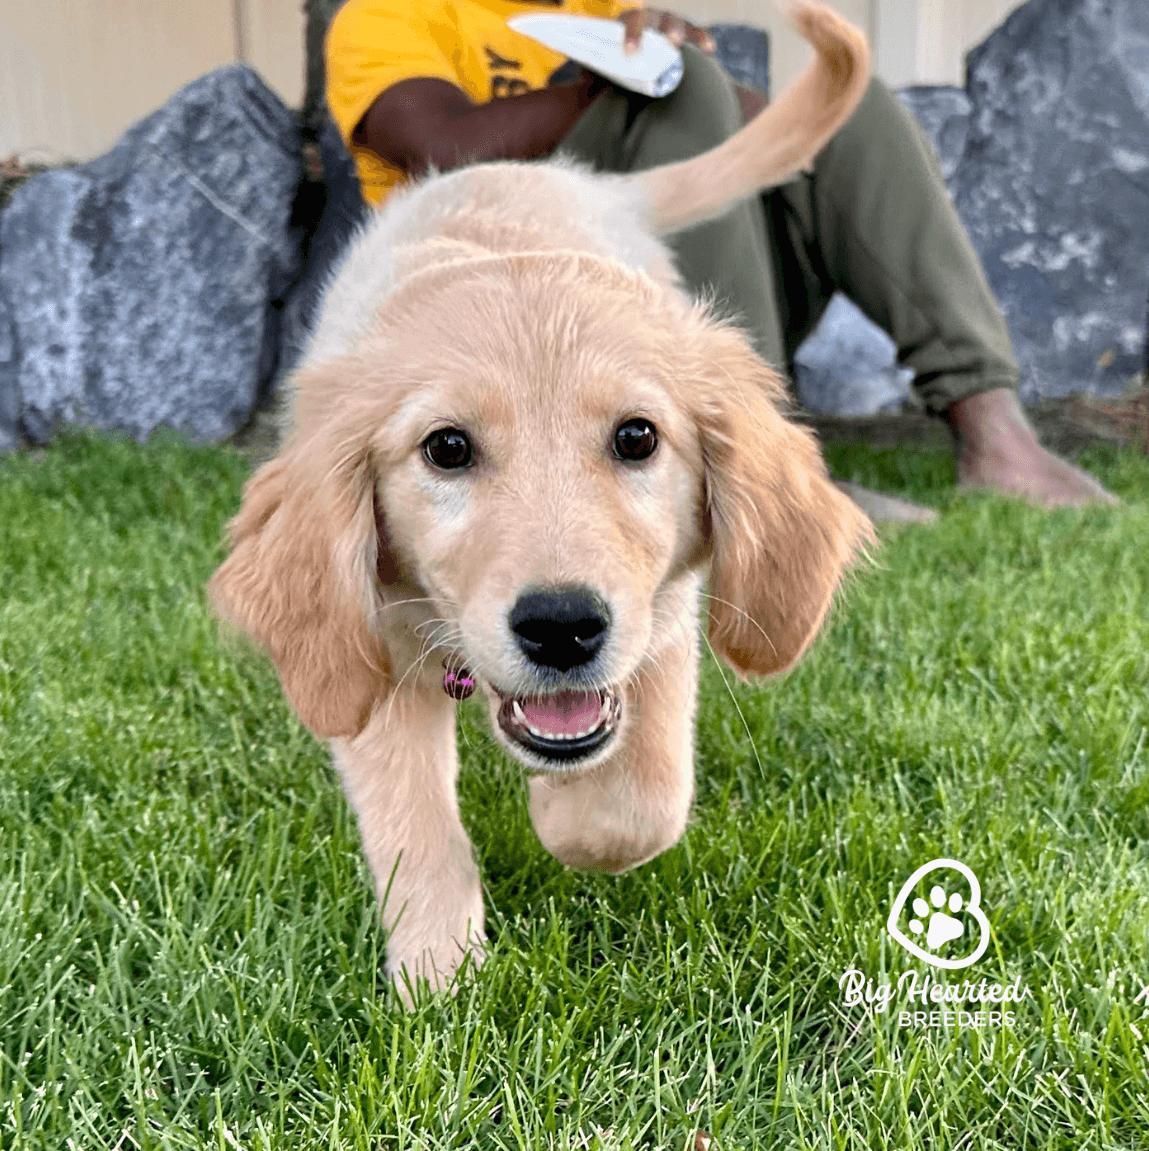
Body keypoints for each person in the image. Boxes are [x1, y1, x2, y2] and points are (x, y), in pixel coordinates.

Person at [324, 0, 1118, 516]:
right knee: (679, 90)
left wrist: (682, 74)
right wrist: (626, 89)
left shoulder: (597, 9)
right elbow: (440, 151)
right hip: (521, 324)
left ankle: (995, 435)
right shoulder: (386, 17)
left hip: (669, 287)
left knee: (843, 113)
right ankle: (764, 479)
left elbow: (740, 134)